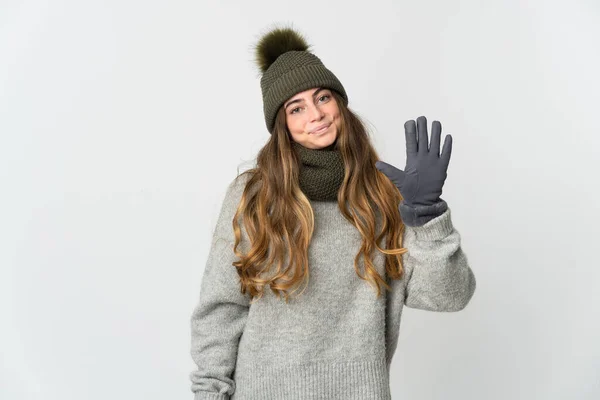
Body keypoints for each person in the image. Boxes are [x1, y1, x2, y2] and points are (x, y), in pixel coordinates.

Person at [189, 25, 476, 400]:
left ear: (339, 103)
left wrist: (427, 217)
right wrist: (210, 394)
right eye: (296, 108)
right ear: (283, 125)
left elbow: (450, 296)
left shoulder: (383, 193)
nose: (316, 114)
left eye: (323, 97)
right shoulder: (253, 195)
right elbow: (221, 308)